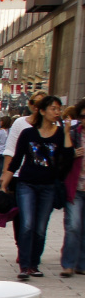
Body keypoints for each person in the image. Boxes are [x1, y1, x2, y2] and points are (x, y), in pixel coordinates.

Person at [2, 95, 70, 279]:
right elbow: (16, 160)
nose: (57, 112)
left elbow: (67, 158)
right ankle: (24, 266)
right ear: (42, 111)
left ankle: (34, 263)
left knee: (40, 228)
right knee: (27, 224)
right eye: (53, 108)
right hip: (27, 184)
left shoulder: (60, 133)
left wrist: (67, 133)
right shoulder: (28, 134)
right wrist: (5, 182)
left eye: (59, 109)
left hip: (48, 186)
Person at [61, 100, 85, 277]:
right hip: (75, 186)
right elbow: (61, 157)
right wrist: (73, 153)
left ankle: (81, 263)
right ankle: (68, 263)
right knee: (74, 226)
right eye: (83, 116)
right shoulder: (73, 134)